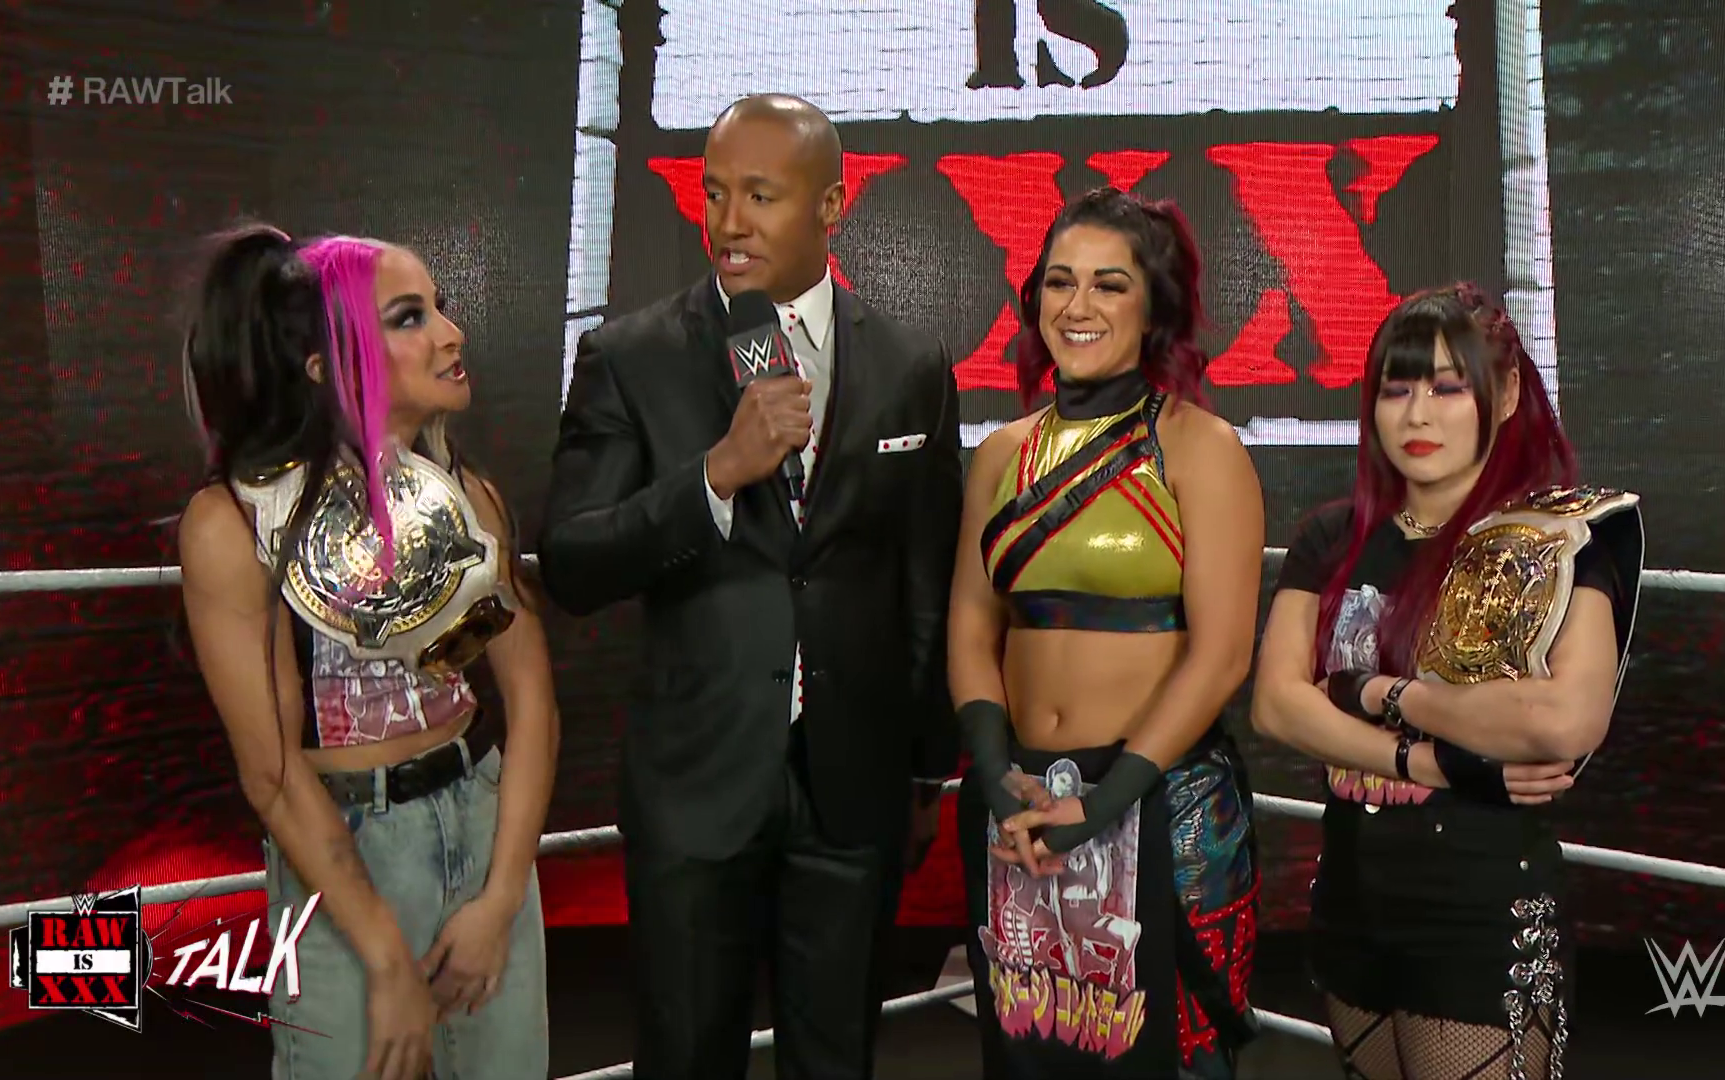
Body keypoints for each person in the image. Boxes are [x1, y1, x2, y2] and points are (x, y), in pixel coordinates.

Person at [538, 93, 963, 1080]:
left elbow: (925, 582)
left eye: (761, 196)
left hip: (853, 789)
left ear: (831, 206)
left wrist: (923, 769)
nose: (729, 222)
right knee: (686, 1058)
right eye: (714, 193)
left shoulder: (909, 364)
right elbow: (572, 561)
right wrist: (715, 477)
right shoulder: (631, 356)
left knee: (836, 1061)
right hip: (697, 786)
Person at [176, 224, 558, 1080]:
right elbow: (273, 772)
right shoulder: (232, 525)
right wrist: (384, 957)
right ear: (325, 363)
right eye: (409, 316)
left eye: (440, 308)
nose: (452, 333)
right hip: (342, 855)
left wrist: (499, 899)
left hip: (481, 822)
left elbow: (531, 699)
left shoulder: (470, 497)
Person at [1249, 283, 1644, 1080]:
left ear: (1505, 395)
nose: (1417, 415)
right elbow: (1277, 705)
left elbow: (1562, 721)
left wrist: (1383, 694)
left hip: (1479, 906)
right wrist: (1425, 758)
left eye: (1447, 388)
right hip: (1353, 896)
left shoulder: (1559, 540)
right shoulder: (1332, 536)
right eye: (1396, 390)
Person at [947, 185, 1267, 1079]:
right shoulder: (1000, 454)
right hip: (1019, 806)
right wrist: (997, 777)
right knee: (1031, 1060)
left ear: (1154, 307)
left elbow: (1221, 656)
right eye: (1059, 282)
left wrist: (1103, 803)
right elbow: (971, 625)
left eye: (1108, 284)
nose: (1076, 305)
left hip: (1157, 804)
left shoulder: (1201, 449)